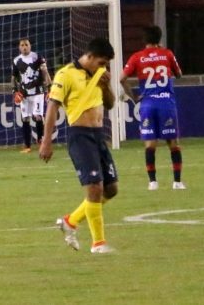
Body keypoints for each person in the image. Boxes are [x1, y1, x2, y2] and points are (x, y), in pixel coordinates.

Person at [40, 37, 116, 254]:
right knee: (94, 187)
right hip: (80, 135)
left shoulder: (100, 74)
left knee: (111, 189)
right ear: (90, 56)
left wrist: (106, 86)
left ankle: (70, 221)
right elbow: (52, 107)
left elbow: (109, 104)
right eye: (101, 62)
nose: (103, 67)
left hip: (98, 135)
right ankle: (98, 243)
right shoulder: (66, 74)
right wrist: (47, 141)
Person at [120, 26, 185, 191]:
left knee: (150, 145)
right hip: (166, 103)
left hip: (148, 104)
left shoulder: (137, 57)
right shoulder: (167, 54)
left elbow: (122, 78)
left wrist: (134, 96)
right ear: (159, 39)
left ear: (144, 40)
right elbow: (179, 74)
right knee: (173, 143)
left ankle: (152, 182)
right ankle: (177, 182)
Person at [12, 38, 52, 153]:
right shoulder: (16, 60)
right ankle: (27, 146)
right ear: (19, 47)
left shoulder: (37, 57)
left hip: (38, 92)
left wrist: (50, 87)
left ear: (30, 46)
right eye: (22, 45)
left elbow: (45, 72)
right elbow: (14, 77)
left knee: (38, 116)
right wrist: (14, 90)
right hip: (24, 93)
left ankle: (41, 141)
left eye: (26, 45)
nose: (24, 47)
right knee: (25, 118)